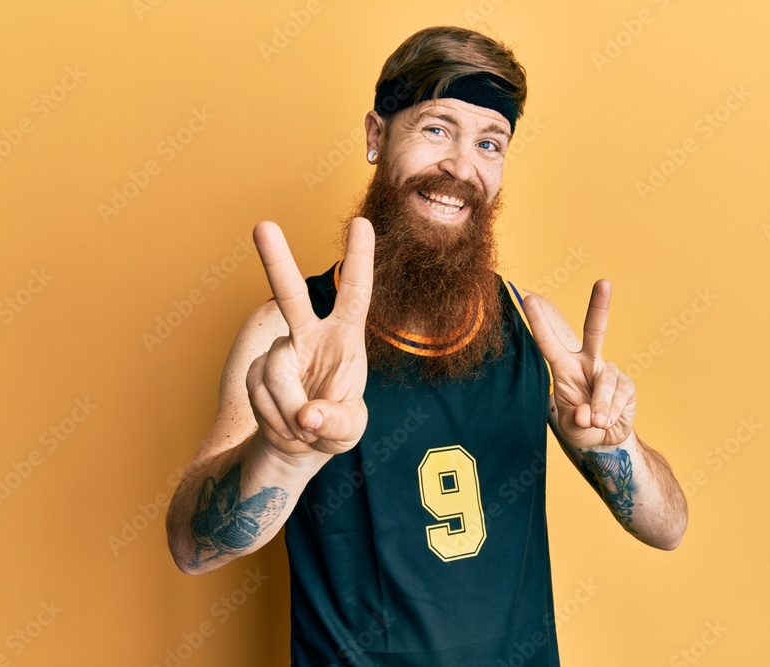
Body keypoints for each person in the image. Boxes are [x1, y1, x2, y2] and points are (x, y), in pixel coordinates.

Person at [166, 25, 687, 666]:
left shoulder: (531, 331)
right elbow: (192, 548)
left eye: (489, 143)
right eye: (436, 128)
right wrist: (281, 453)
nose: (461, 168)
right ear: (376, 136)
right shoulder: (289, 334)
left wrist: (617, 446)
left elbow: (668, 529)